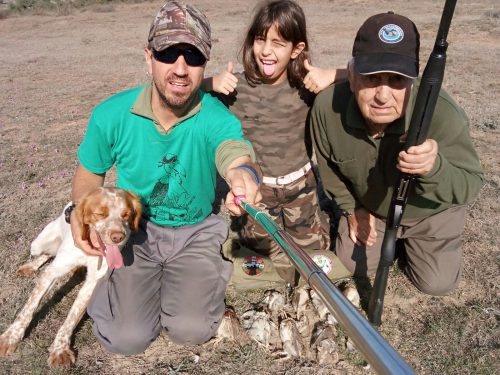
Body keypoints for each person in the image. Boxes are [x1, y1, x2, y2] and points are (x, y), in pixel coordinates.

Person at [68, 1, 262, 355]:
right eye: (168, 53)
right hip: (136, 230)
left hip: (195, 231)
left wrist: (242, 175)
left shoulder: (215, 116)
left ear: (205, 62)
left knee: (191, 330)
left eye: (193, 56)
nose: (181, 68)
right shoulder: (111, 114)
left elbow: (234, 152)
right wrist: (79, 214)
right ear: (148, 56)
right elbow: (89, 176)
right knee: (126, 339)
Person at [310, 12, 484, 296]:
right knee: (349, 266)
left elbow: (470, 185)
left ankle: (427, 241)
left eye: (396, 80)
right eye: (372, 78)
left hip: (428, 212)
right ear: (351, 77)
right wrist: (353, 209)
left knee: (436, 284)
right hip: (373, 211)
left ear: (413, 83)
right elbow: (329, 170)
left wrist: (434, 168)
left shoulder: (442, 113)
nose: (382, 95)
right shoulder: (327, 109)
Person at [201, 0, 349, 285]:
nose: (266, 51)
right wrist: (211, 83)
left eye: (278, 43)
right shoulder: (234, 87)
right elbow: (179, 91)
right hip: (258, 191)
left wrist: (333, 75)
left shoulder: (308, 85)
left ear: (297, 49)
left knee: (309, 256)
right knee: (263, 257)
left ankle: (321, 216)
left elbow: (362, 81)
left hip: (300, 187)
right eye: (260, 40)